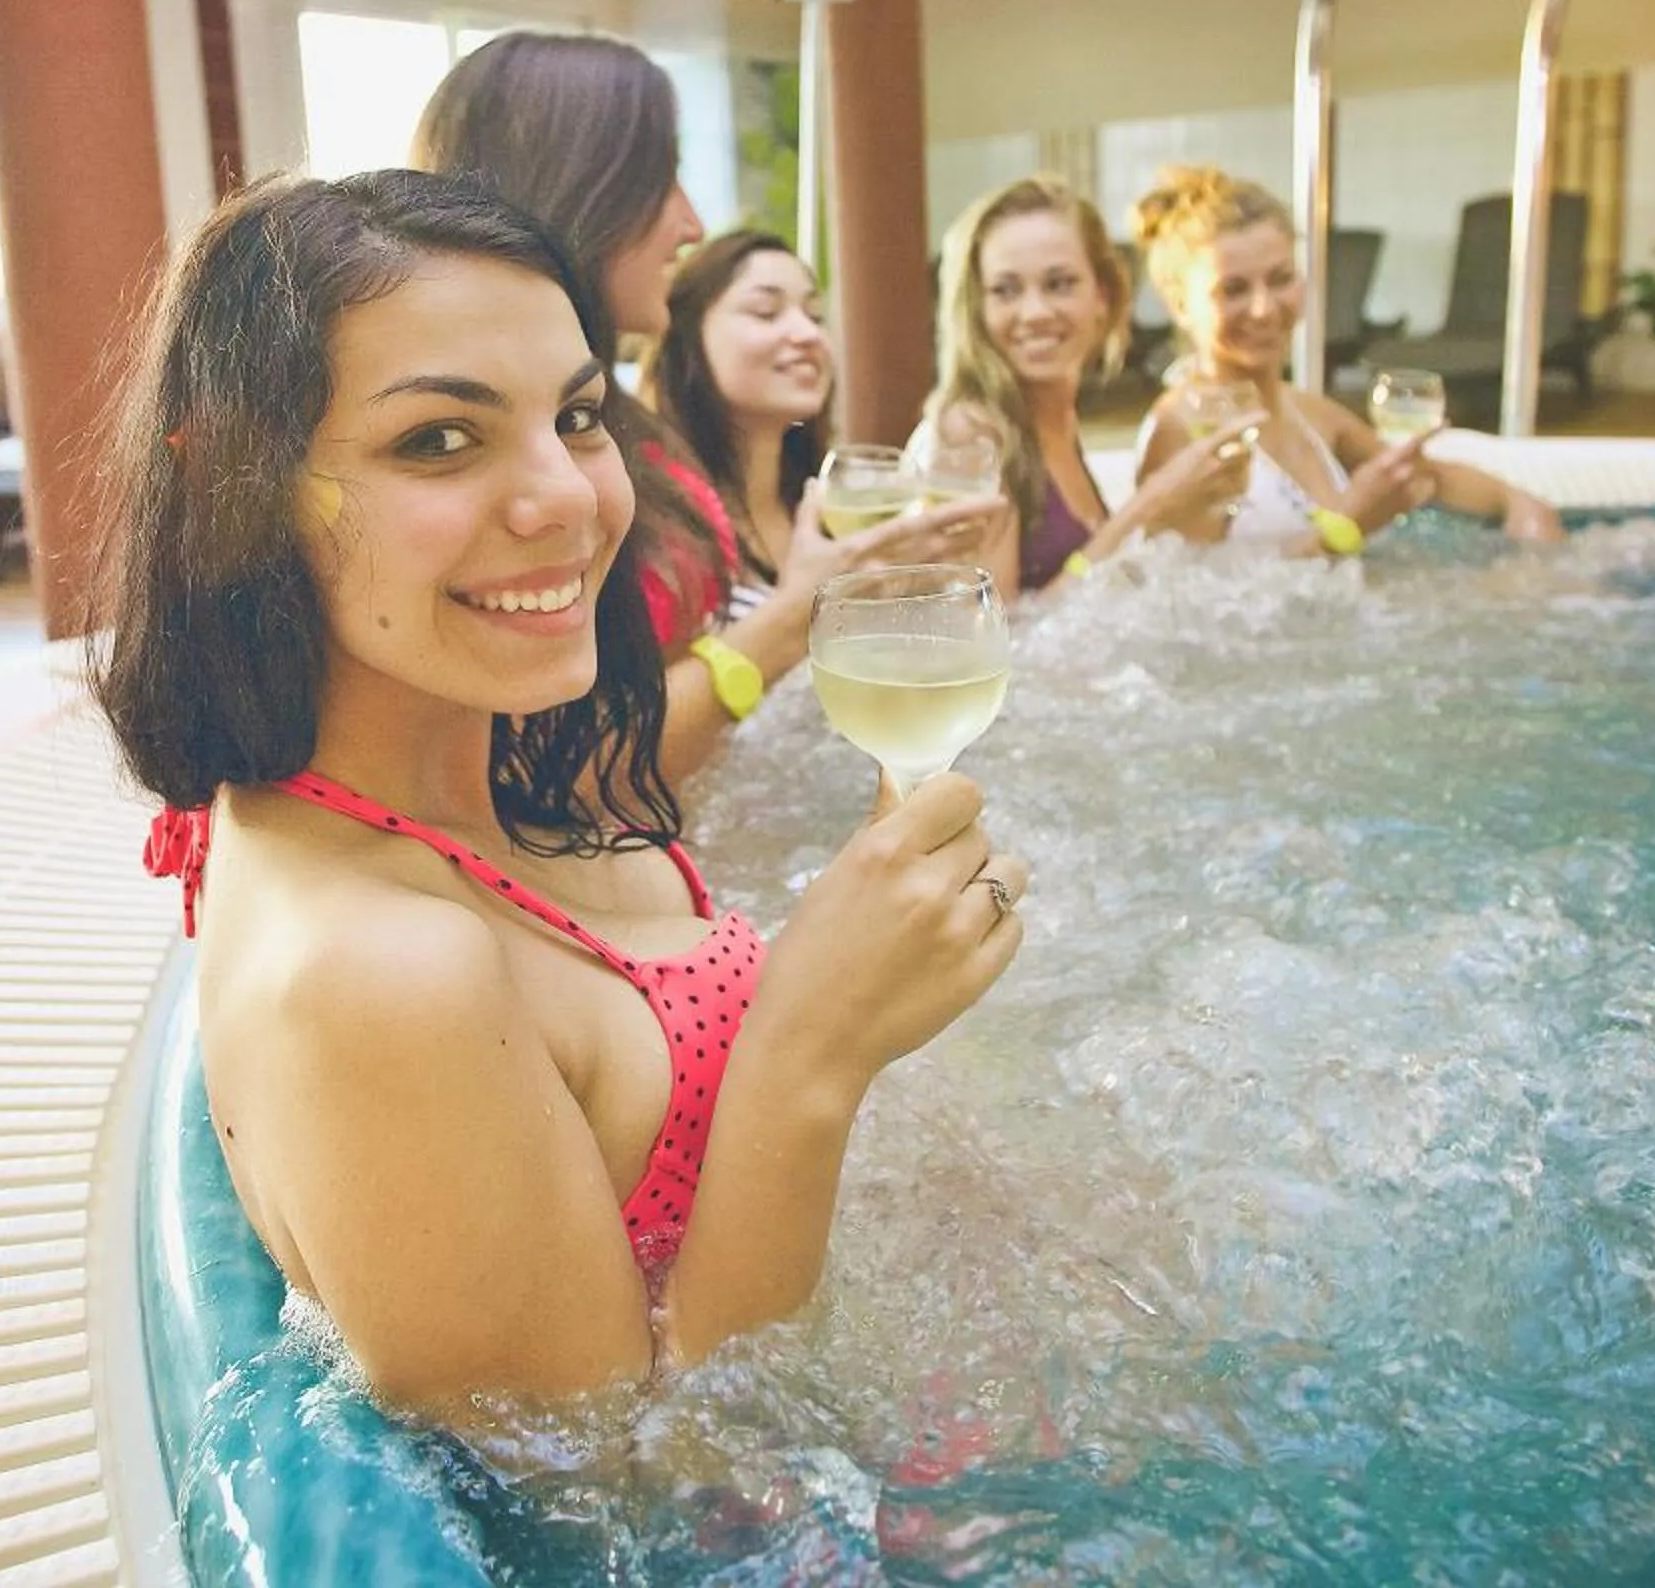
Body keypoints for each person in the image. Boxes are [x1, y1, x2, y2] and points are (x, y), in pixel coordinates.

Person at [101, 170, 1027, 1418]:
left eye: (579, 417)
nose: (571, 500)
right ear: (238, 486)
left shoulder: (473, 764)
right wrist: (816, 1044)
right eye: (438, 437)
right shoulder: (374, 971)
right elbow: (635, 1482)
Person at [417, 35, 988, 778]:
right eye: (663, 182)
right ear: (581, 188)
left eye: (814, 311)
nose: (690, 225)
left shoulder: (622, 428)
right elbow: (536, 769)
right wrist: (793, 620)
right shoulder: (506, 460)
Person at [1126, 168, 1562, 555]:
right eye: (1233, 290)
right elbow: (1198, 606)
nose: (1263, 308)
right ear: (1179, 304)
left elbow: (1427, 478)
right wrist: (1348, 528)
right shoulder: (1184, 431)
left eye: (1280, 279)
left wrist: (1521, 505)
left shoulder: (1309, 413)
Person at [650, 224, 1007, 608]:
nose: (807, 334)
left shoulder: (831, 505)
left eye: (815, 316)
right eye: (766, 312)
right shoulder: (666, 515)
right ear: (686, 336)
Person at [921, 176, 1249, 591]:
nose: (1035, 311)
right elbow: (994, 640)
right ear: (976, 307)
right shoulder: (970, 431)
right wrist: (1149, 508)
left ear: (1103, 295)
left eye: (1059, 284)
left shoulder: (1056, 417)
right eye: (1005, 290)